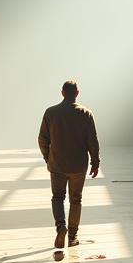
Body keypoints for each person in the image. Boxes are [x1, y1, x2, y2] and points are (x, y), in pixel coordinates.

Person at [38, 80, 100, 249]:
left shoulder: (51, 113)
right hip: (78, 166)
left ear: (62, 93)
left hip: (57, 164)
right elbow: (92, 141)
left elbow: (42, 139)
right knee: (76, 199)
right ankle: (72, 236)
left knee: (58, 197)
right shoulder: (86, 113)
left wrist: (48, 157)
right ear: (77, 93)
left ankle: (61, 227)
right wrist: (95, 161)